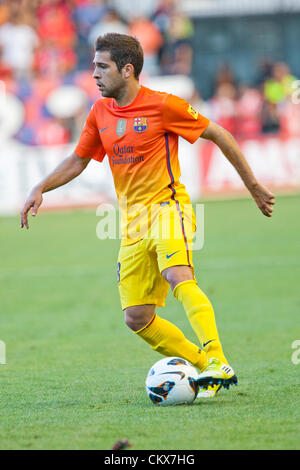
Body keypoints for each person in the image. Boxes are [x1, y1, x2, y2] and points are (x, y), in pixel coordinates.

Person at [20, 33, 275, 398]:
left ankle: (218, 358)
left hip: (169, 206)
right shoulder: (99, 112)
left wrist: (252, 185)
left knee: (177, 274)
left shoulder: (163, 106)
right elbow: (78, 159)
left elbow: (218, 134)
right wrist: (40, 187)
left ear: (127, 70)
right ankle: (204, 367)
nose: (94, 74)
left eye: (101, 67)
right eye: (94, 66)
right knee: (136, 317)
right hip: (132, 222)